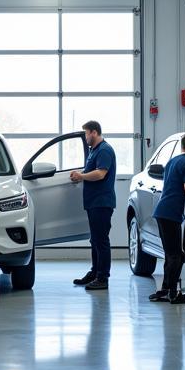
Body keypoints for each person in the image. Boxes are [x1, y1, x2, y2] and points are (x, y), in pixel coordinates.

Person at [151, 133, 185, 305]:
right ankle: (173, 293)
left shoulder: (172, 161)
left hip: (161, 211)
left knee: (171, 253)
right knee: (176, 255)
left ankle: (165, 289)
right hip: (171, 213)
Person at [70, 120, 117, 292]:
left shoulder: (104, 150)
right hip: (93, 202)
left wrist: (81, 176)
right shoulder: (94, 151)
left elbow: (100, 173)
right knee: (95, 239)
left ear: (94, 132)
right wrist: (80, 175)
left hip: (101, 203)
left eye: (86, 133)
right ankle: (95, 272)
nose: (85, 137)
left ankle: (102, 278)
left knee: (101, 240)